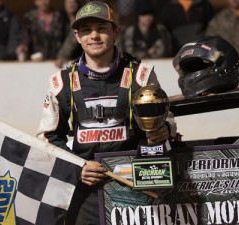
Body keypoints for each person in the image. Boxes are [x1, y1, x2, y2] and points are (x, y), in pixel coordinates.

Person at [36, 1, 177, 225]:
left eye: (101, 28)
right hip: (86, 189)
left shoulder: (141, 75)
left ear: (116, 32)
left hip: (137, 185)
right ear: (77, 36)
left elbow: (166, 118)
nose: (94, 36)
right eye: (86, 30)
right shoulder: (60, 82)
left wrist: (164, 130)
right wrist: (76, 168)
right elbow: (47, 138)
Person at [55, 0, 82, 67]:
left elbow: (72, 39)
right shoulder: (59, 19)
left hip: (80, 59)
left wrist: (62, 56)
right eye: (69, 2)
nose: (71, 5)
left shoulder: (82, 19)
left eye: (73, 2)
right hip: (60, 61)